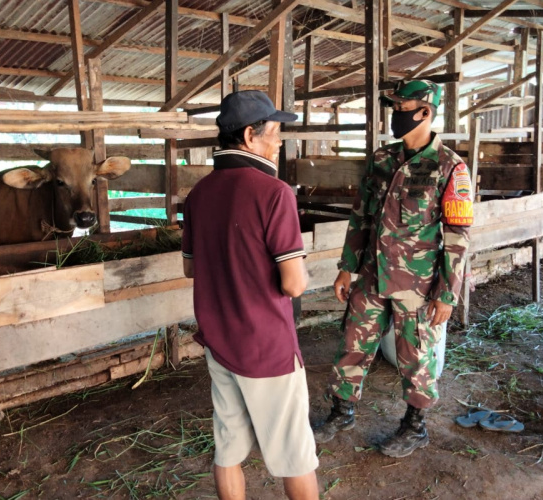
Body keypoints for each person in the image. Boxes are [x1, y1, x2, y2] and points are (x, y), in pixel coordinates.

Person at [312, 80, 473, 458]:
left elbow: (458, 235)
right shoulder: (382, 159)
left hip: (417, 285)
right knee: (351, 344)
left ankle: (415, 427)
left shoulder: (450, 167)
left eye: (403, 107)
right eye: (394, 106)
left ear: (425, 112)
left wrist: (448, 293)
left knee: (417, 356)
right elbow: (361, 217)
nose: (396, 113)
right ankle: (341, 412)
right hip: (371, 276)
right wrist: (345, 268)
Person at [181, 90, 320, 500]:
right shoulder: (273, 192)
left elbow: (191, 267)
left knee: (228, 448)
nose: (278, 142)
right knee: (295, 453)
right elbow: (293, 284)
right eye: (275, 132)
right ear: (249, 136)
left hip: (219, 340)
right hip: (266, 346)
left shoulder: (198, 195)